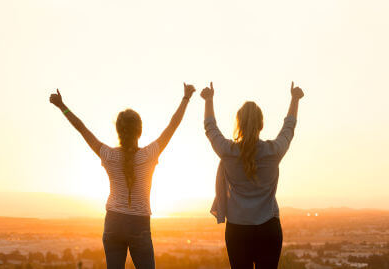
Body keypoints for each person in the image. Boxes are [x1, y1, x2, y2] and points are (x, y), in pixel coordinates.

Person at [49, 83, 196, 269]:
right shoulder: (149, 155)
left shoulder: (109, 155)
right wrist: (186, 98)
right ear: (140, 131)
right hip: (139, 224)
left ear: (118, 131)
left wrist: (62, 106)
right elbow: (173, 125)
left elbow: (82, 129)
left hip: (113, 223)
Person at [201, 81, 304, 269]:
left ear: (238, 123)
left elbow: (210, 128)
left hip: (237, 231)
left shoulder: (228, 152)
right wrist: (295, 99)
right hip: (269, 229)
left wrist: (208, 100)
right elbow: (289, 128)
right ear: (262, 124)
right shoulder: (274, 152)